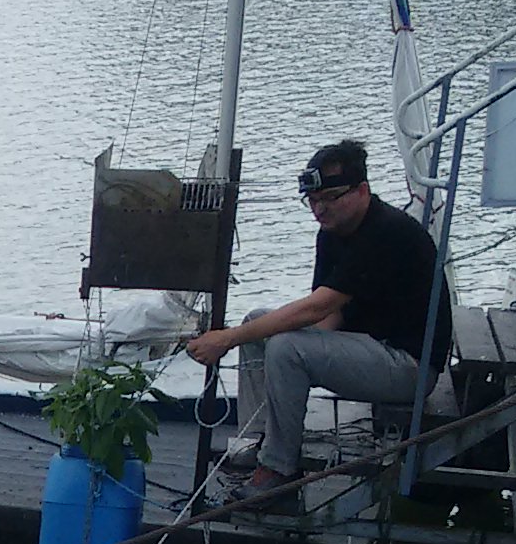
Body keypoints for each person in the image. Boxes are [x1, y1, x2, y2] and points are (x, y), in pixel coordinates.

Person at [185, 139, 448, 507]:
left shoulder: (385, 231)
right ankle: (261, 440)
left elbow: (316, 307)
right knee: (260, 325)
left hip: (409, 366)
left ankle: (280, 474)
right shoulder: (333, 234)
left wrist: (228, 339)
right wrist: (292, 348)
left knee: (283, 345)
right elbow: (328, 317)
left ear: (361, 190)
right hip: (371, 346)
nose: (319, 209)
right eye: (312, 200)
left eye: (330, 198)